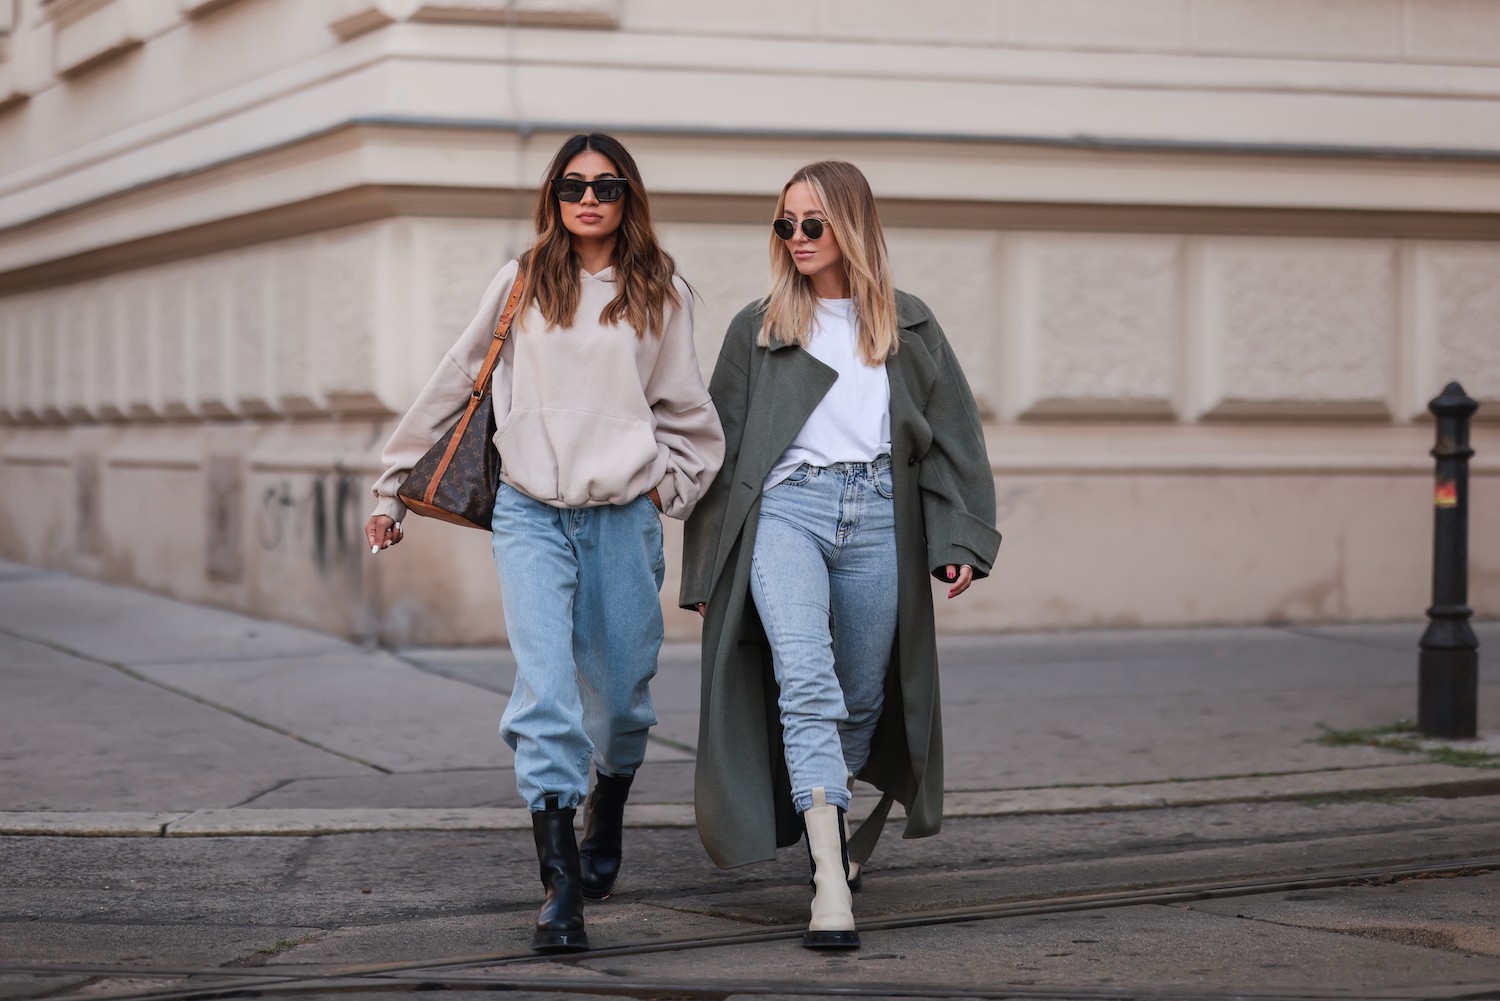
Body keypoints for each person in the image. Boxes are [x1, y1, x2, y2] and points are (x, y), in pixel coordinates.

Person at [365, 133, 724, 953]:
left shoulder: (660, 291)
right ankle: (561, 881)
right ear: (553, 197)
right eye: (572, 185)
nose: (588, 199)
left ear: (628, 197)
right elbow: (455, 379)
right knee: (546, 692)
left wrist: (665, 485)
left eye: (605, 186)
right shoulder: (522, 280)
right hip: (529, 513)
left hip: (621, 518)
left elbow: (688, 413)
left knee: (623, 695)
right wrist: (391, 486)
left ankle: (610, 803)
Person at [680, 160, 1000, 949]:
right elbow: (722, 451)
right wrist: (706, 567)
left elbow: (954, 437)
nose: (796, 237)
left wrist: (959, 536)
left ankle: (827, 817)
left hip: (882, 516)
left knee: (858, 698)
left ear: (851, 225)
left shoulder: (909, 324)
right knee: (806, 679)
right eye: (784, 223)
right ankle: (829, 877)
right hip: (786, 512)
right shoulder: (759, 327)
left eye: (812, 223)